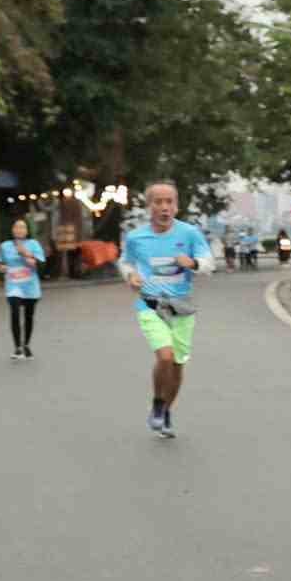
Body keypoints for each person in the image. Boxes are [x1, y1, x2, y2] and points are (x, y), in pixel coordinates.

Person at [117, 182, 213, 439]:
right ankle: (158, 404)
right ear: (149, 206)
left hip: (181, 307)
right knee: (165, 356)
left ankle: (166, 410)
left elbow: (208, 263)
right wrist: (130, 275)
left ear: (176, 205)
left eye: (169, 201)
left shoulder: (189, 233)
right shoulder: (137, 237)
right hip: (150, 304)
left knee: (178, 364)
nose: (164, 207)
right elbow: (125, 261)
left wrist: (192, 262)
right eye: (158, 202)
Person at [0, 218, 47, 361]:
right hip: (13, 285)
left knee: (28, 316)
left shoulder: (33, 244)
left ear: (27, 230)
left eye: (22, 227)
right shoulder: (4, 246)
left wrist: (25, 253)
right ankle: (17, 347)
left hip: (30, 286)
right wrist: (2, 268)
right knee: (15, 313)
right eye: (17, 227)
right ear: (12, 230)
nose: (19, 230)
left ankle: (26, 345)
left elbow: (40, 264)